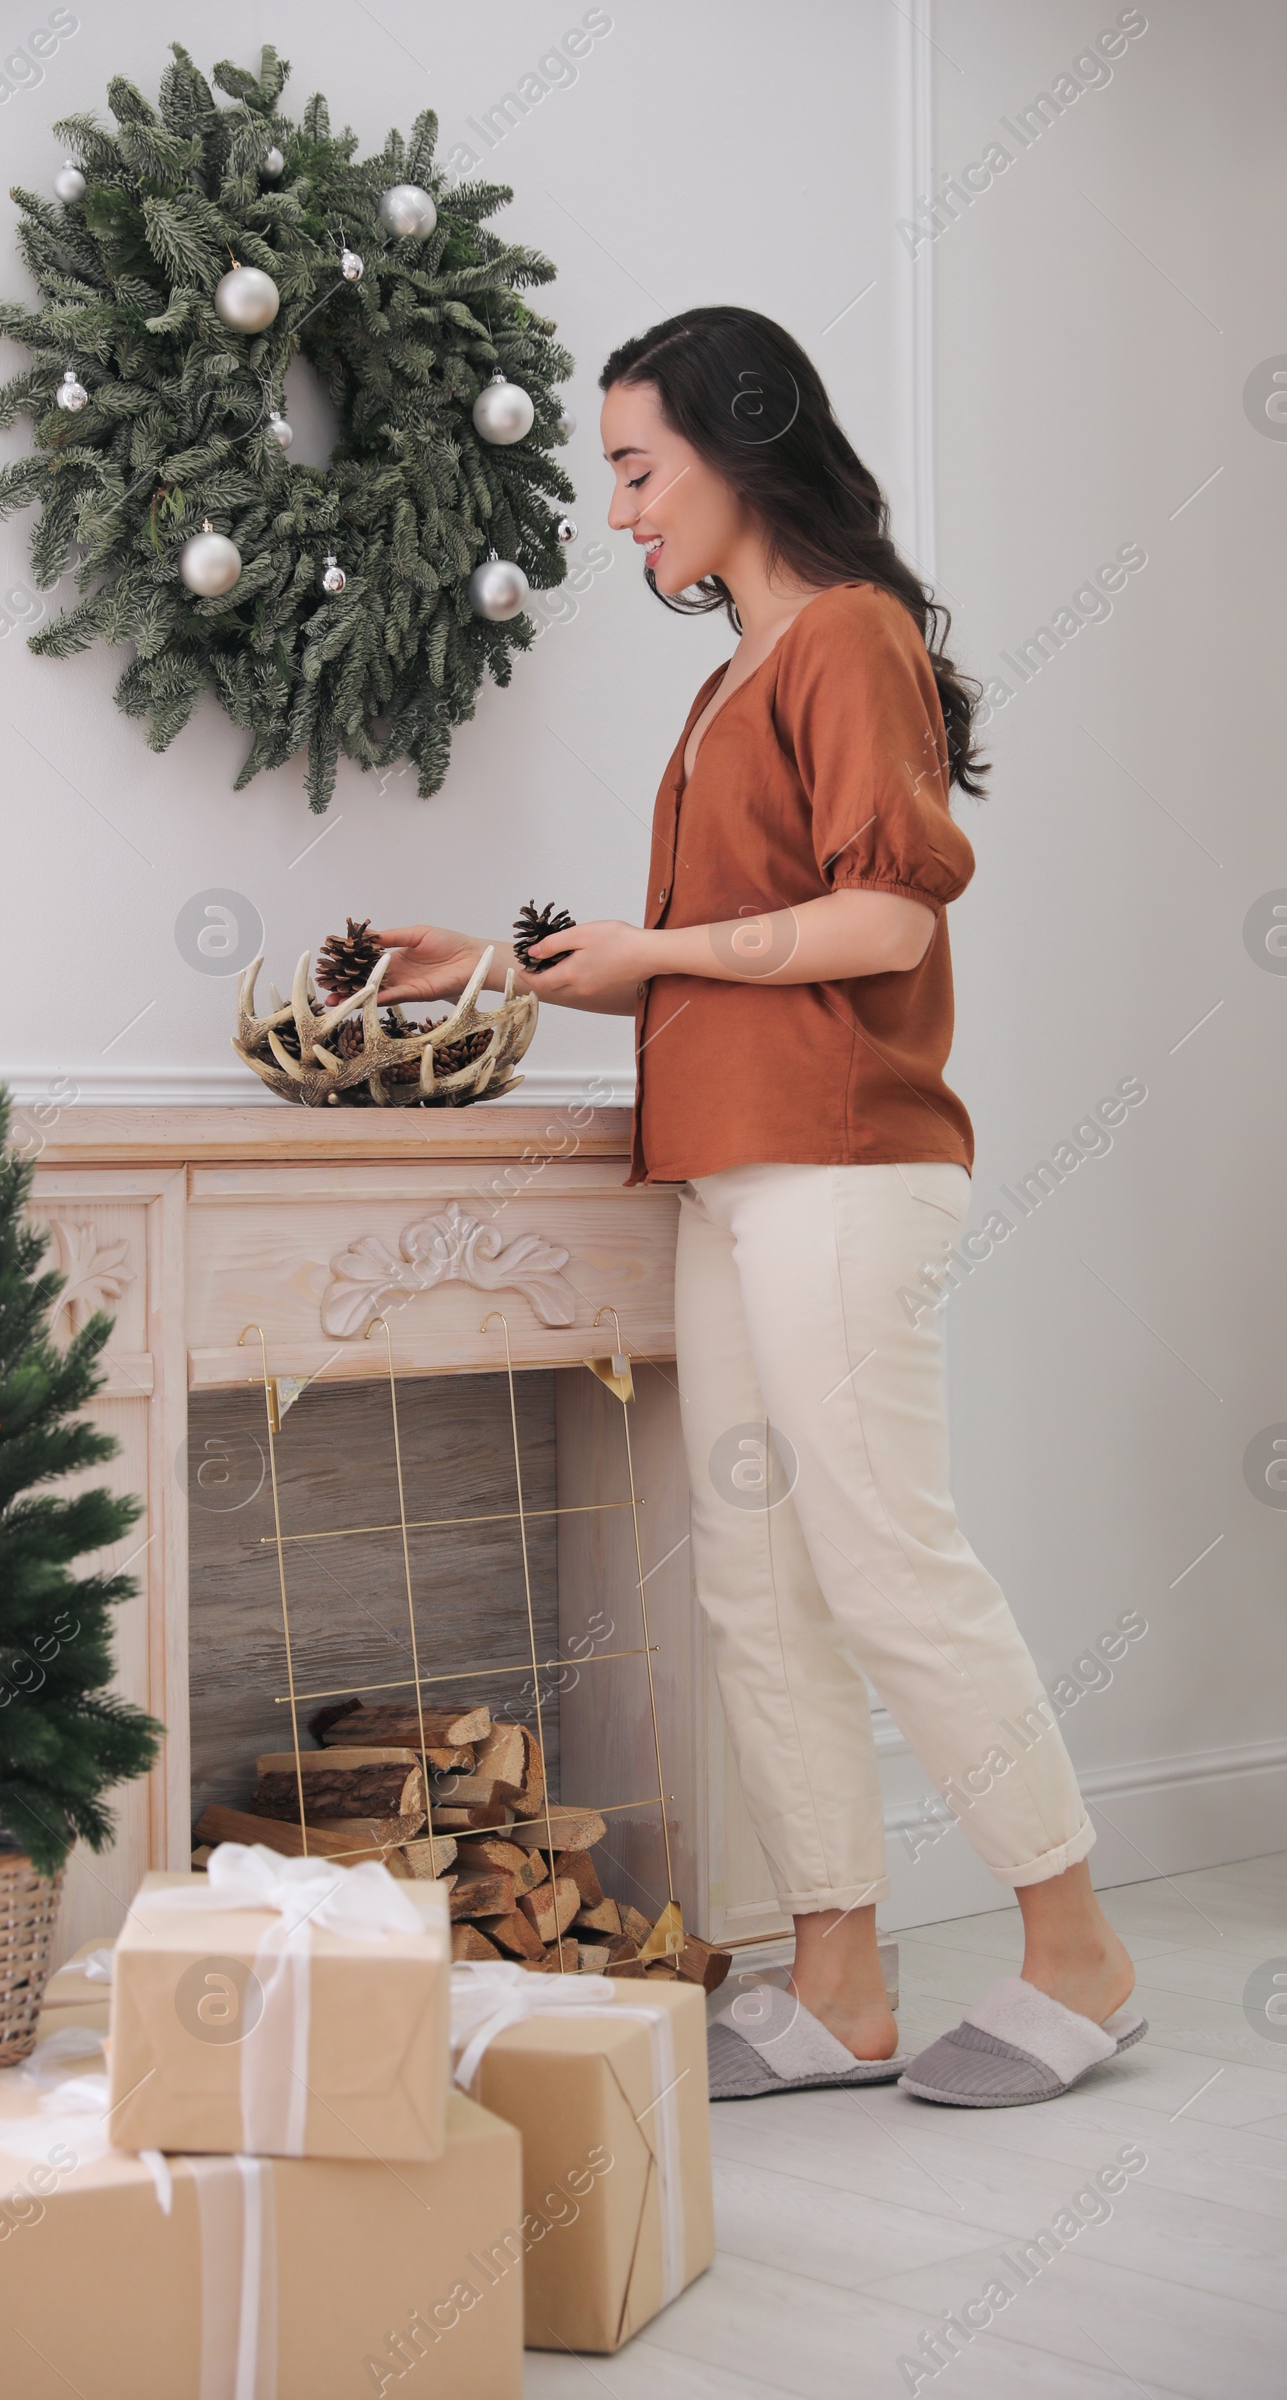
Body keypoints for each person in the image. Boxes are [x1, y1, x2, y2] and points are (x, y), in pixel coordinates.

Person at [376, 305, 1144, 2106]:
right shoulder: (733, 675)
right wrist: (501, 964)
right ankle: (840, 1980)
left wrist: (647, 946)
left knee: (883, 1557)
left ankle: (1076, 1946)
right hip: (730, 1168)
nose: (623, 512)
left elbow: (886, 921)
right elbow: (714, 959)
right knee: (754, 1581)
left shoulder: (850, 643)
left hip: (846, 1161)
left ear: (742, 444)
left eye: (641, 469)